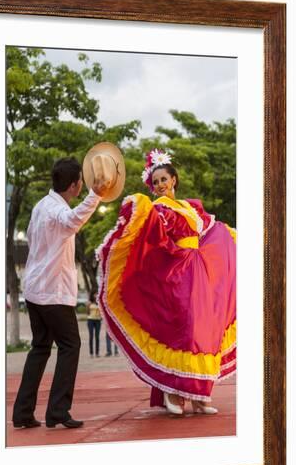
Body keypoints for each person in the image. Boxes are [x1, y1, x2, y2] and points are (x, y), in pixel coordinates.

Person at [97, 148, 236, 416]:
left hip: (200, 271)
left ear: (174, 179)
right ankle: (173, 393)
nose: (160, 185)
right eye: (156, 181)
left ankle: (199, 396)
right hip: (176, 272)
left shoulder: (189, 206)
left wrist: (229, 239)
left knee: (203, 332)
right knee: (182, 331)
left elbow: (209, 230)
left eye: (164, 179)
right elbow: (155, 235)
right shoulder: (158, 208)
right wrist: (139, 206)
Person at [12, 157, 109, 430]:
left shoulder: (42, 205)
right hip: (52, 292)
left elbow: (37, 237)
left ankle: (23, 413)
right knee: (70, 346)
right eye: (82, 181)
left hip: (34, 289)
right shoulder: (57, 211)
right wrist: (96, 196)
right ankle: (57, 411)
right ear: (75, 185)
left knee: (40, 348)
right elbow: (72, 220)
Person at [86, 292, 102, 357]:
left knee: (97, 337)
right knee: (91, 336)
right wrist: (87, 306)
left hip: (98, 320)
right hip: (90, 320)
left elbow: (102, 311)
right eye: (94, 294)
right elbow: (87, 312)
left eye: (96, 294)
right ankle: (91, 353)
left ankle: (97, 353)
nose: (95, 295)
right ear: (92, 295)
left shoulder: (99, 302)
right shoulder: (89, 302)